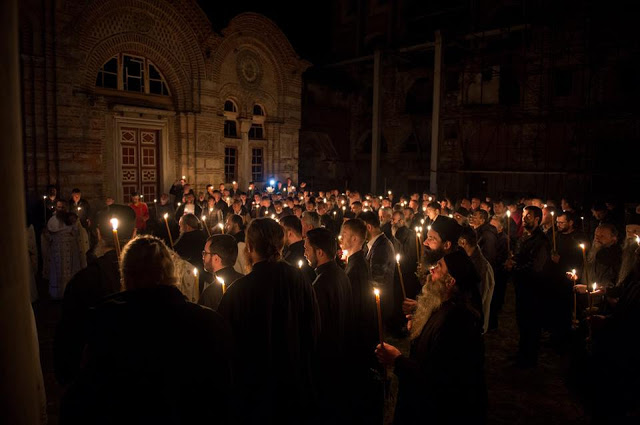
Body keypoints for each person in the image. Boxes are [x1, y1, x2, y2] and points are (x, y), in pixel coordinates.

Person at [60, 235, 233, 425]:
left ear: (126, 276)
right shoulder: (206, 322)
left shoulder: (105, 323)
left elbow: (82, 393)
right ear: (171, 275)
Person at [217, 218, 320, 425]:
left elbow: (224, 346)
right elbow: (313, 329)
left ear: (250, 247)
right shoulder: (300, 280)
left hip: (255, 391)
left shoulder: (238, 291)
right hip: (293, 384)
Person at [376, 250, 486, 425]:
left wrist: (396, 360)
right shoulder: (445, 306)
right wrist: (421, 325)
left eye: (439, 267)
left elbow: (436, 377)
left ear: (450, 281)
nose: (432, 270)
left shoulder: (457, 321)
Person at [54, 205, 136, 385]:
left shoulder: (83, 280)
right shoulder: (154, 275)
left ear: (98, 234)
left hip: (99, 383)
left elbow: (69, 343)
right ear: (134, 234)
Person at [304, 228, 353, 423]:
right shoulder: (340, 274)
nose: (305, 254)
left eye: (307, 249)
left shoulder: (321, 284)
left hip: (326, 364)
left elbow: (317, 329)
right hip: (341, 358)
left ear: (320, 252)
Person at [340, 219, 383, 424]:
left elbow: (355, 308)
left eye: (345, 233)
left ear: (355, 238)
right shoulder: (354, 262)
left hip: (356, 340)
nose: (341, 237)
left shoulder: (356, 269)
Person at [506, 205, 549, 368]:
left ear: (537, 219)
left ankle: (529, 359)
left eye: (528, 216)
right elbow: (522, 257)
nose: (524, 218)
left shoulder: (541, 241)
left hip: (533, 289)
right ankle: (522, 354)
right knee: (522, 323)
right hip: (523, 287)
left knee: (531, 324)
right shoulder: (527, 236)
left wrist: (514, 268)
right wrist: (514, 259)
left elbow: (535, 266)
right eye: (523, 215)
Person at [360, 211, 396, 329]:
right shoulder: (373, 245)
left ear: (368, 227)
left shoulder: (382, 247)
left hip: (379, 305)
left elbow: (376, 279)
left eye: (360, 228)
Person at [44, 201, 87, 299]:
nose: (60, 209)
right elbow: (48, 236)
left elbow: (78, 234)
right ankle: (58, 294)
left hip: (71, 250)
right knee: (58, 272)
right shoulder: (52, 220)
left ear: (66, 208)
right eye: (59, 207)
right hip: (57, 251)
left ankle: (71, 294)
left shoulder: (72, 219)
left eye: (63, 207)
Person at [458, 226, 495, 333]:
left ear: (463, 242)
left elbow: (478, 299)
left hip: (473, 324)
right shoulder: (468, 260)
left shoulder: (481, 268)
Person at [199, 235, 244, 310]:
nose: (203, 257)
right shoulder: (244, 281)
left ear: (216, 259)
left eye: (205, 253)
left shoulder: (210, 293)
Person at [173, 214, 208, 290]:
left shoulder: (185, 239)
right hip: (204, 275)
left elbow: (176, 256)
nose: (179, 229)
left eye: (180, 226)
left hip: (189, 277)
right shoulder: (204, 236)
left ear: (187, 227)